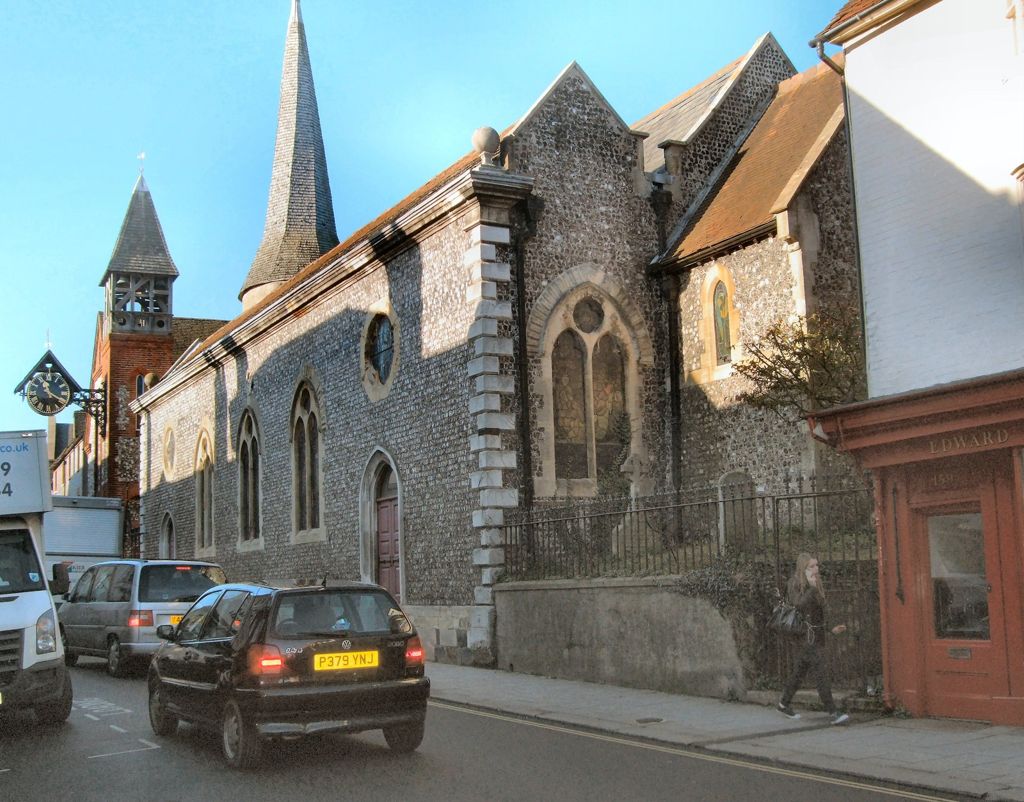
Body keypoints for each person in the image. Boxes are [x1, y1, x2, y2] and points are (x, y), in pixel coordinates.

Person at [777, 553, 850, 725]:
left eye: (817, 565)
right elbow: (798, 606)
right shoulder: (794, 583)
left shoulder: (817, 583)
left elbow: (823, 608)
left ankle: (783, 703)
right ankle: (833, 712)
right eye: (812, 566)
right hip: (804, 637)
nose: (816, 569)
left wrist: (831, 627)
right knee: (820, 672)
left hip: (816, 635)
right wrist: (810, 588)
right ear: (803, 568)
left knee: (799, 672)